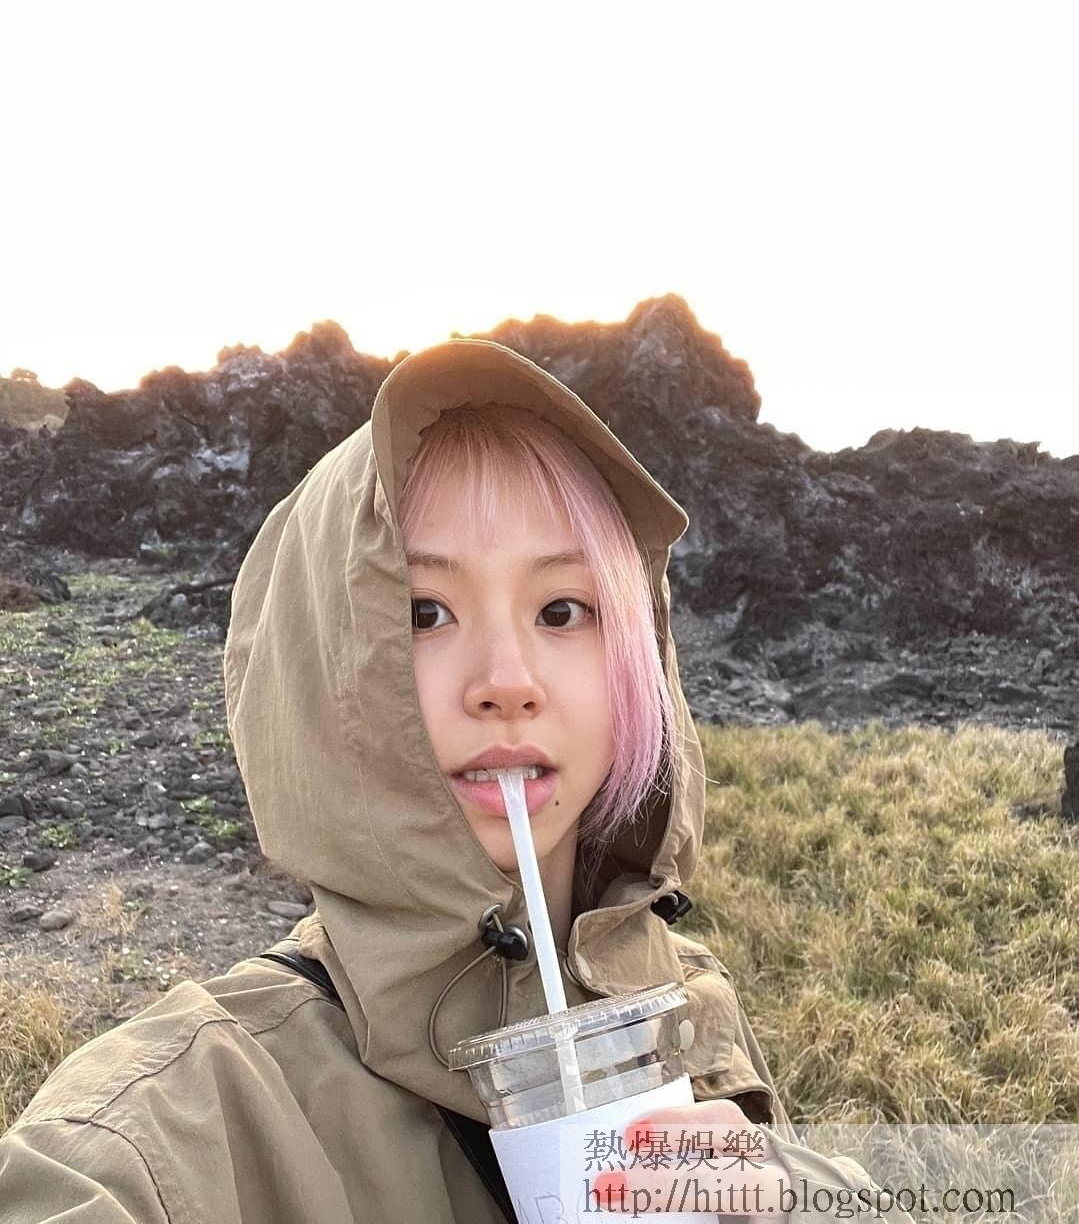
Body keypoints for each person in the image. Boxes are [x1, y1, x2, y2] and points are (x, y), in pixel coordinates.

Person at [0, 340, 904, 1221]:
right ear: (312, 667)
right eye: (422, 612)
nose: (506, 681)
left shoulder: (676, 992)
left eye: (563, 609)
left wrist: (802, 1200)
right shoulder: (170, 1132)